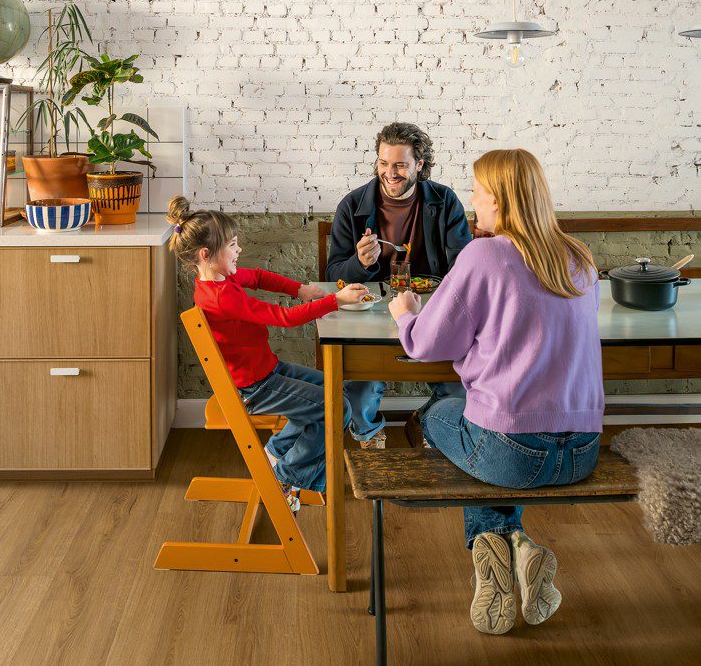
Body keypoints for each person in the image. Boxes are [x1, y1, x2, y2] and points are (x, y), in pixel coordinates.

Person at [388, 150, 603, 635]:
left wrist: (405, 314)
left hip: (513, 455)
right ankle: (519, 545)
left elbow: (426, 344)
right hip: (583, 452)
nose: (473, 202)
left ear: (501, 201)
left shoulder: (485, 255)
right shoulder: (579, 256)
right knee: (485, 422)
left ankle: (488, 541)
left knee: (437, 413)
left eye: (478, 193)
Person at [168, 197, 367, 513]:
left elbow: (259, 277)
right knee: (335, 407)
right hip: (256, 388)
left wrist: (300, 289)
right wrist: (336, 301)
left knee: (335, 394)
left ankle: (276, 453)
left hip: (267, 371)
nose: (239, 250)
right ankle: (286, 477)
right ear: (206, 254)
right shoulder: (222, 298)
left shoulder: (221, 279)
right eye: (232, 245)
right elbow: (284, 318)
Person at [326, 121, 472, 449]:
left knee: (459, 387)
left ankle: (427, 422)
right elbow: (334, 275)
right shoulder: (352, 205)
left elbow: (464, 267)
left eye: (400, 165)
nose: (389, 174)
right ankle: (368, 435)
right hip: (370, 315)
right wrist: (360, 263)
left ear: (420, 164)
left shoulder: (445, 201)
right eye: (383, 163)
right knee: (360, 386)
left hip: (433, 312)